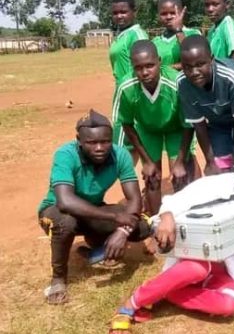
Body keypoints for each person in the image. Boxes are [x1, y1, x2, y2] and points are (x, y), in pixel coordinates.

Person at [109, 137, 234, 334]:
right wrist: (166, 215)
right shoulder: (218, 183)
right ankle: (132, 302)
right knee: (196, 269)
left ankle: (162, 292)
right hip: (199, 259)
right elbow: (179, 200)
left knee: (229, 305)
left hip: (229, 270)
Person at [38, 110, 150, 305]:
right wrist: (115, 219)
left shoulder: (120, 154)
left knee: (141, 227)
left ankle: (96, 246)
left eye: (105, 141)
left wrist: (123, 232)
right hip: (55, 211)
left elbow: (134, 200)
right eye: (91, 143)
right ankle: (58, 279)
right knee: (66, 222)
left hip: (92, 210)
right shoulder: (65, 154)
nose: (100, 148)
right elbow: (65, 201)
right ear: (79, 140)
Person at [115, 40, 200, 215]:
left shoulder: (177, 82)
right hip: (148, 130)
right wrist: (145, 161)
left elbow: (188, 124)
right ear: (132, 66)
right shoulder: (126, 87)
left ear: (159, 61)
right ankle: (156, 223)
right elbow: (127, 124)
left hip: (177, 128)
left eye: (150, 66)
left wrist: (179, 162)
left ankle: (185, 219)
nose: (145, 72)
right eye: (138, 68)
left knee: (180, 176)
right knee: (152, 177)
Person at [177, 35, 234, 174]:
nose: (194, 72)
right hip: (218, 115)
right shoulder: (183, 84)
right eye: (187, 67)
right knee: (220, 164)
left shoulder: (231, 76)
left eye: (200, 64)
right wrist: (210, 161)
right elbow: (199, 126)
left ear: (212, 60)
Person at [109, 0, 148, 148]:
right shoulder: (122, 35)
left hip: (132, 95)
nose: (119, 16)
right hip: (123, 92)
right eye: (115, 13)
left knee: (120, 148)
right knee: (134, 146)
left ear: (134, 12)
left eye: (124, 12)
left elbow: (147, 64)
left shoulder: (136, 35)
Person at [152, 0, 200, 71]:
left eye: (173, 13)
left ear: (181, 13)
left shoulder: (193, 34)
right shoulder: (155, 42)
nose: (168, 17)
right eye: (164, 14)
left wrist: (178, 30)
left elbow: (196, 61)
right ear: (159, 16)